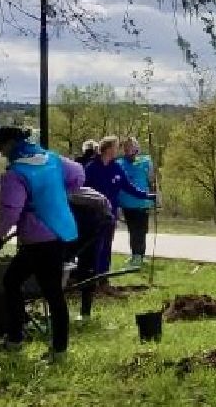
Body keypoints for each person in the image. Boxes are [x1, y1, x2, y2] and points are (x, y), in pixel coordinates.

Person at [0, 126, 83, 356]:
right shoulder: (52, 158)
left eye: (1, 148)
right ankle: (15, 338)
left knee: (50, 292)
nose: (1, 154)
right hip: (62, 231)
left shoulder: (15, 173)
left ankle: (55, 349)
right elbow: (78, 174)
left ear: (10, 144)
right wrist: (56, 194)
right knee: (13, 281)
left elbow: (10, 210)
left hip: (39, 239)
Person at [84, 135, 156, 283]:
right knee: (95, 246)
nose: (119, 150)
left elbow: (128, 186)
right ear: (109, 149)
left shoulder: (116, 167)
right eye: (117, 147)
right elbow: (83, 190)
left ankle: (103, 280)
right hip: (93, 214)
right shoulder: (91, 168)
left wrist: (147, 195)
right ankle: (90, 279)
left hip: (110, 214)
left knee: (106, 246)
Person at [67, 185, 115, 319]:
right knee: (83, 266)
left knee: (86, 268)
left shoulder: (75, 197)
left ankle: (85, 312)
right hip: (91, 222)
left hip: (95, 223)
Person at [117, 137, 156, 269]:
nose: (129, 150)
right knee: (133, 230)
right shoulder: (120, 163)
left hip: (143, 202)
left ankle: (139, 255)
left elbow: (151, 180)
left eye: (131, 147)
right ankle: (136, 255)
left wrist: (154, 197)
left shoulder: (146, 161)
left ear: (137, 148)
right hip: (127, 203)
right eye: (126, 147)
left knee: (141, 230)